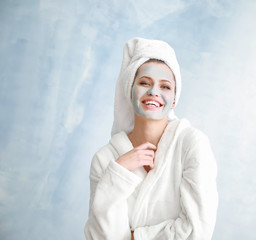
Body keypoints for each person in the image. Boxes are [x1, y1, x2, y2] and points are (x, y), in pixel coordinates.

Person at [84, 37, 218, 240]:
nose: (154, 92)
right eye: (144, 83)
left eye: (165, 86)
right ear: (130, 90)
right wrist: (118, 172)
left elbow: (197, 232)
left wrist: (134, 237)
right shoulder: (105, 160)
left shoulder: (192, 144)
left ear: (174, 99)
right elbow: (100, 236)